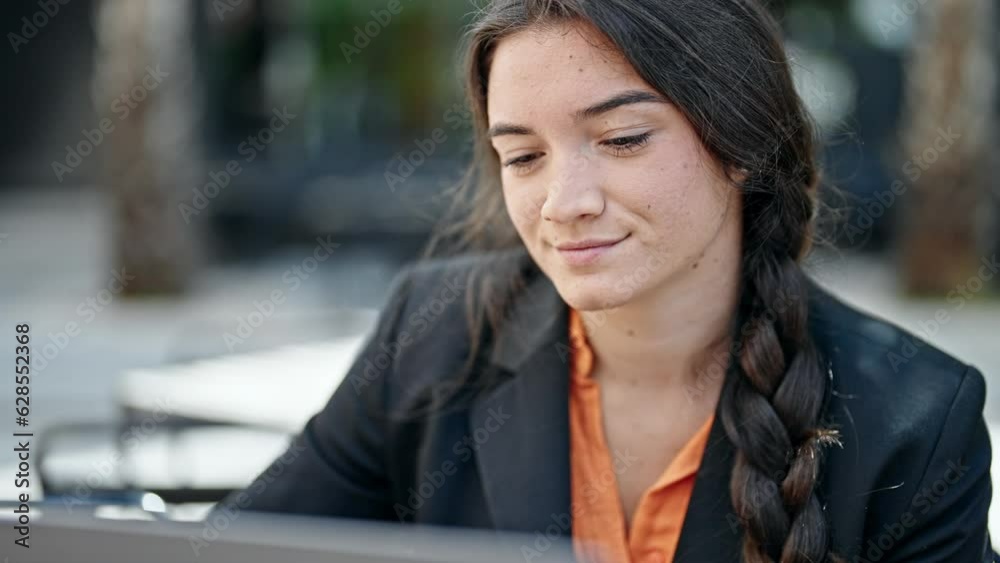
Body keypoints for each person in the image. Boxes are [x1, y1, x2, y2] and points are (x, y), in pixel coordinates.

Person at [220, 1, 994, 561]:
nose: (565, 202)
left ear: (742, 144)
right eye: (523, 156)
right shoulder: (430, 333)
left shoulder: (912, 420)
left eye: (621, 139)